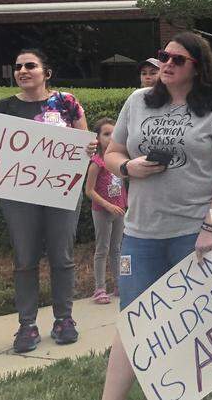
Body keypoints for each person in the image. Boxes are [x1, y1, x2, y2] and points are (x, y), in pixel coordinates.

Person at [99, 33, 212, 400]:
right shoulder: (137, 102)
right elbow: (113, 153)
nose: (166, 64)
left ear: (198, 67)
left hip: (193, 235)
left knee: (191, 327)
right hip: (140, 232)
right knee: (133, 322)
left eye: (177, 60)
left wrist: (211, 227)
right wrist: (127, 168)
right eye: (163, 56)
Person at [0, 49, 93, 353]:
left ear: (46, 72)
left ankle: (64, 319)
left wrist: (89, 149)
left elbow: (84, 141)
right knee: (24, 260)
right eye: (19, 66)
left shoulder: (66, 103)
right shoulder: (3, 108)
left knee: (62, 257)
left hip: (61, 192)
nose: (23, 70)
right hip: (18, 197)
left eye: (30, 66)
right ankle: (27, 325)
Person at [84, 118, 125, 305]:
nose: (111, 137)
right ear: (98, 138)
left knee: (117, 249)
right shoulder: (96, 163)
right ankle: (99, 288)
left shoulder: (120, 160)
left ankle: (119, 284)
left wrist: (125, 204)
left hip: (120, 211)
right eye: (106, 134)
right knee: (102, 249)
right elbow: (89, 190)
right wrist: (108, 205)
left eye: (114, 134)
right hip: (102, 211)